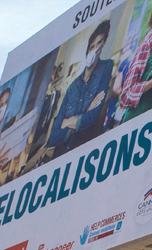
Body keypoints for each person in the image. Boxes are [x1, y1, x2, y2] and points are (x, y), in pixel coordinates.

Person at [47, 20, 113, 153]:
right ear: (87, 51)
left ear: (104, 44)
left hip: (83, 151)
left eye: (99, 44)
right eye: (92, 46)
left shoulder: (106, 67)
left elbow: (93, 117)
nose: (95, 50)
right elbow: (53, 138)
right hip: (60, 154)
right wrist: (81, 118)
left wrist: (67, 123)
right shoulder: (72, 88)